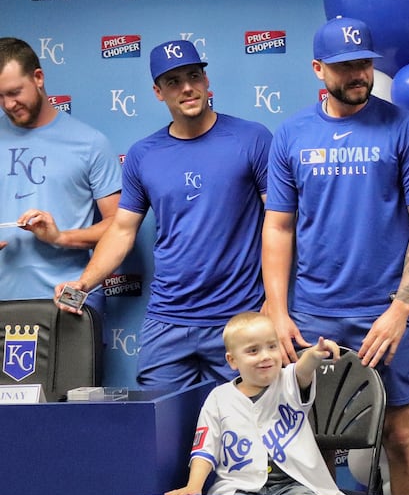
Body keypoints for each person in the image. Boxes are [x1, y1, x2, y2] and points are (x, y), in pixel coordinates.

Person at [262, 16, 409, 495]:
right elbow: (278, 227)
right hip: (316, 314)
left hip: (387, 311)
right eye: (344, 66)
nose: (358, 74)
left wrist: (401, 307)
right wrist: (277, 310)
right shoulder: (292, 134)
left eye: (363, 63)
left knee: (401, 435)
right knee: (316, 439)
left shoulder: (403, 127)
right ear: (318, 69)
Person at [55, 40, 271, 388]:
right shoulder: (143, 154)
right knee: (157, 421)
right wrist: (84, 283)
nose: (186, 88)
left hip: (238, 318)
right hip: (168, 319)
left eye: (194, 76)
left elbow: (280, 223)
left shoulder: (252, 139)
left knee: (245, 420)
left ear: (206, 80)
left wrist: (275, 302)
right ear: (158, 92)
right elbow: (122, 230)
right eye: (173, 81)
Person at [166, 312, 345, 495]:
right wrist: (194, 486)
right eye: (253, 350)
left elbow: (303, 369)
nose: (265, 356)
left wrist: (314, 355)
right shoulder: (218, 398)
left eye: (272, 346)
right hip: (241, 487)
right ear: (232, 360)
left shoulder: (289, 381)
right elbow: (204, 451)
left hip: (294, 485)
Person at [0, 37, 120, 314]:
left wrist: (59, 237)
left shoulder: (90, 142)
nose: (8, 104)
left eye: (14, 92)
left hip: (68, 301)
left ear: (38, 78)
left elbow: (119, 226)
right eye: (0, 96)